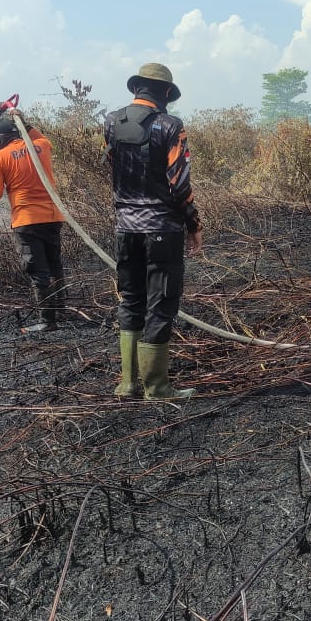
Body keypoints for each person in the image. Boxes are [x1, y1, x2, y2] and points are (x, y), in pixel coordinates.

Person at [104, 63, 203, 401]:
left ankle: (128, 384)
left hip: (125, 230)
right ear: (166, 94)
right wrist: (194, 225)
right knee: (160, 303)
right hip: (162, 229)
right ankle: (157, 387)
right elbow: (180, 183)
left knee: (131, 299)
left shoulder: (111, 122)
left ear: (136, 89)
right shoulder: (171, 126)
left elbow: (115, 168)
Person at [0, 108, 66, 331]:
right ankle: (62, 312)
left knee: (38, 270)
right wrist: (22, 121)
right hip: (52, 216)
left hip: (26, 220)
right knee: (55, 265)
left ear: (0, 139)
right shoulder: (41, 146)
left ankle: (47, 321)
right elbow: (41, 138)